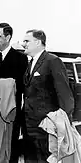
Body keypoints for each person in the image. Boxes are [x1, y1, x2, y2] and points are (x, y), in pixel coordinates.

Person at [21, 29, 74, 163]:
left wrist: (63, 125)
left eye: (27, 41)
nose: (23, 44)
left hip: (47, 126)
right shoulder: (30, 63)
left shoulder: (53, 61)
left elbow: (65, 95)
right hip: (30, 126)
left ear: (38, 42)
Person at [0, 23, 28, 163]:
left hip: (10, 114)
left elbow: (22, 87)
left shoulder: (20, 59)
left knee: (10, 151)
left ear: (8, 37)